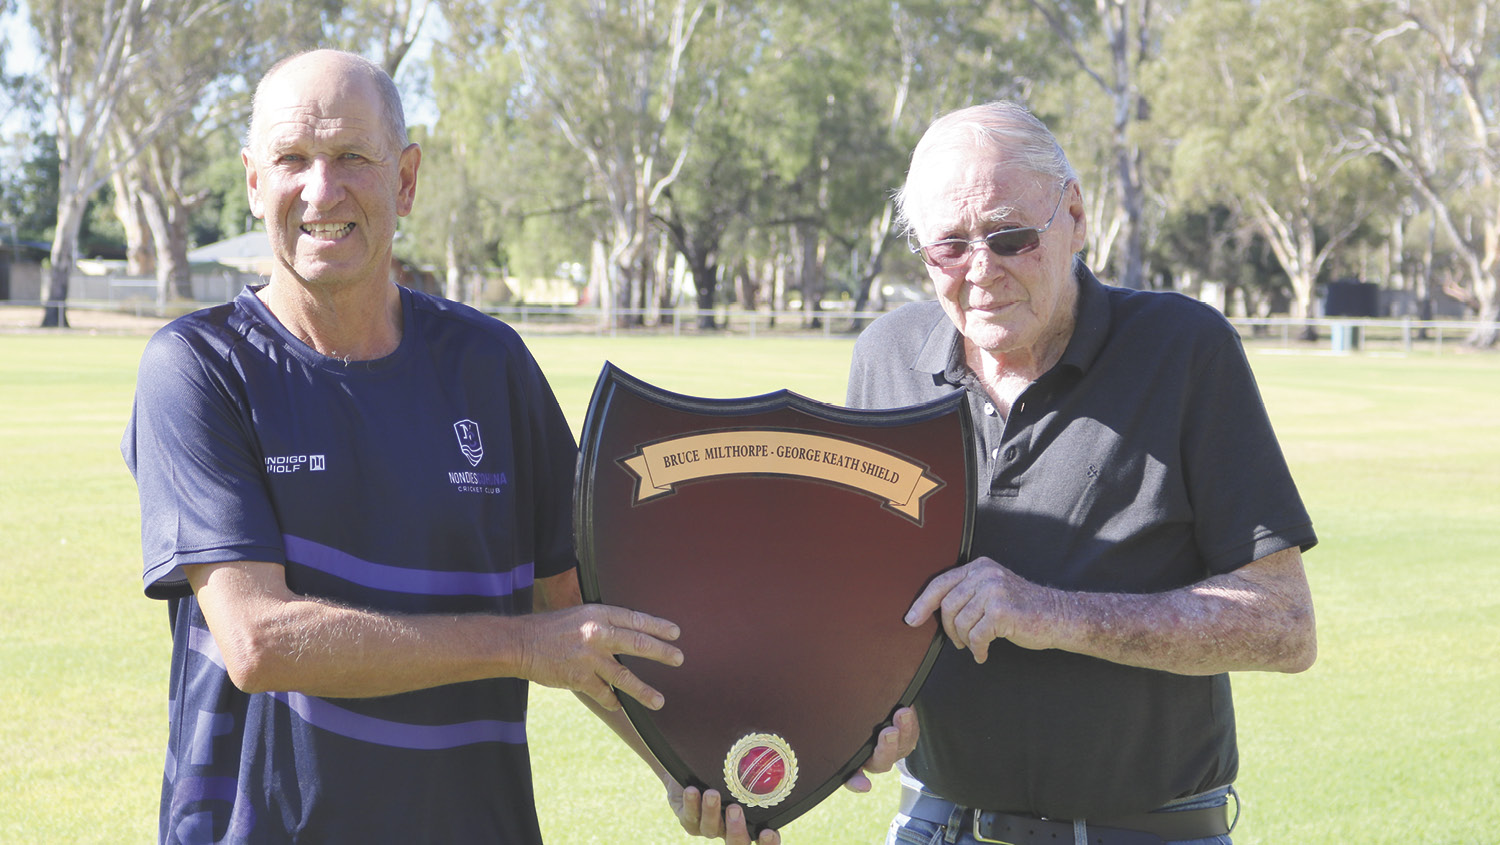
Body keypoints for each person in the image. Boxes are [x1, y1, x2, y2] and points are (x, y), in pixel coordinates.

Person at [121, 50, 688, 843]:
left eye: (353, 156)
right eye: (292, 159)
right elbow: (257, 640)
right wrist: (522, 646)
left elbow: (573, 614)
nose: (322, 189)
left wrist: (695, 767)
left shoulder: (490, 364)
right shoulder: (200, 367)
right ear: (253, 182)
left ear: (407, 180)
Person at [845, 101, 1318, 845]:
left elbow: (1284, 626)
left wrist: (1047, 613)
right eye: (950, 247)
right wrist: (864, 715)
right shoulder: (886, 358)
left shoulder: (1184, 349)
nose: (981, 271)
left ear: (1074, 216)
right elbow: (860, 608)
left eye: (1010, 236)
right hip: (936, 822)